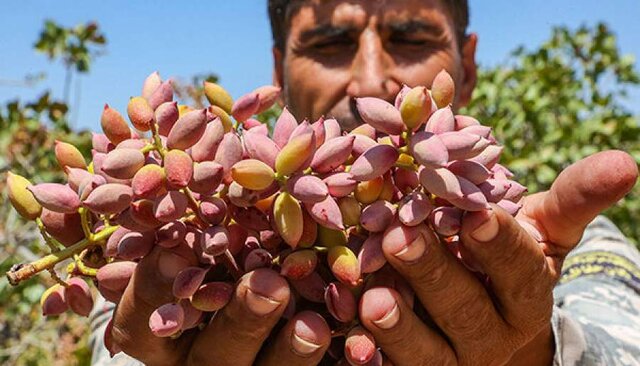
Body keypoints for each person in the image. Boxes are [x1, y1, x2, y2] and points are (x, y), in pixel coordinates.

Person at [89, 1, 640, 365]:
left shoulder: (558, 238)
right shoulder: (167, 235)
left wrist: (533, 351)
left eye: (411, 37)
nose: (371, 79)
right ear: (280, 70)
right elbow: (111, 341)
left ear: (465, 68)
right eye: (329, 44)